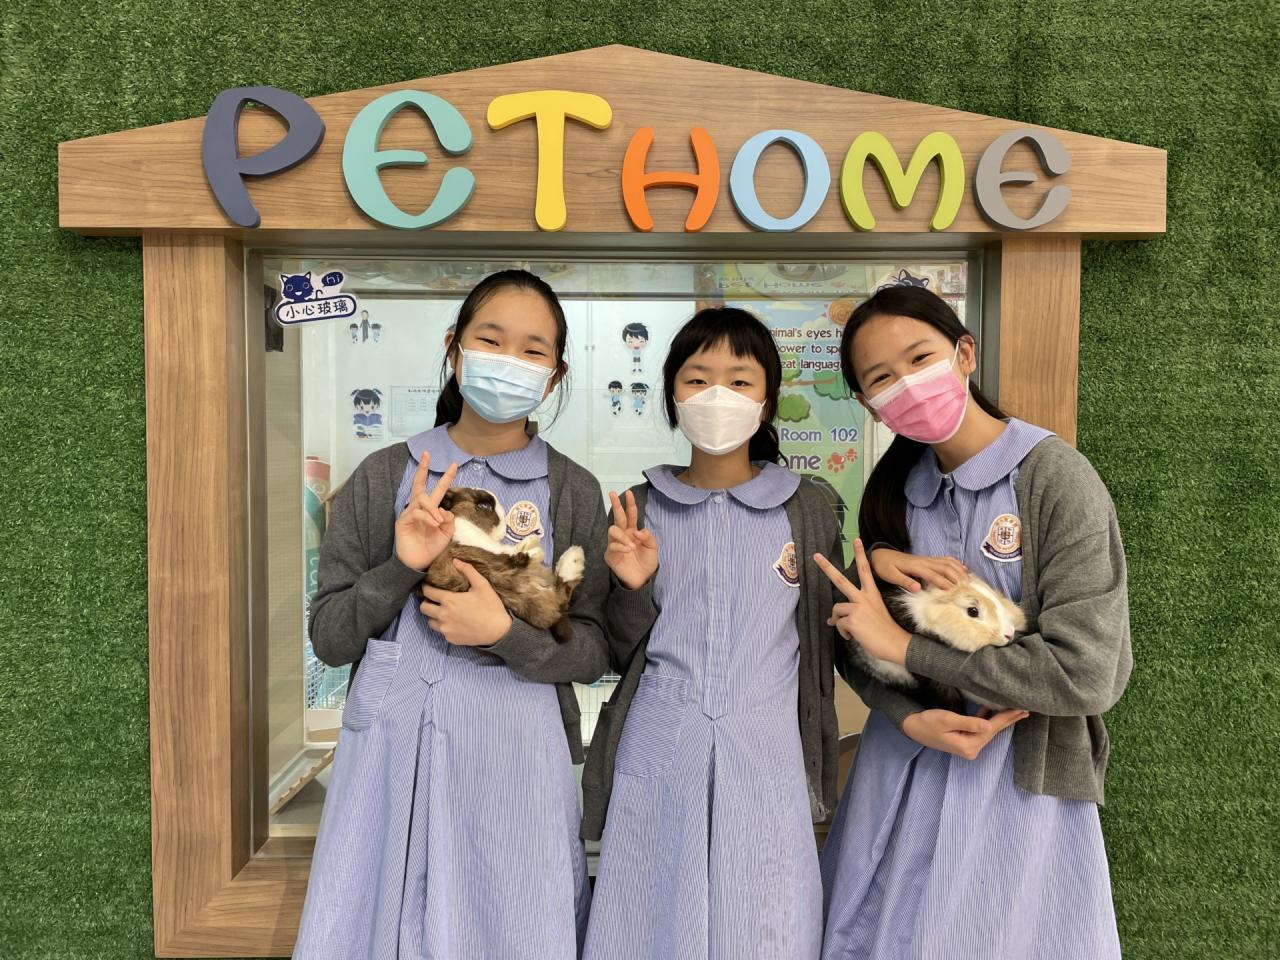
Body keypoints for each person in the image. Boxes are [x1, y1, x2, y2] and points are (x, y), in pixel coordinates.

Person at [293, 269, 610, 960]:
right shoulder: (384, 475)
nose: (510, 361)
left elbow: (594, 649)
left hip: (518, 765)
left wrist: (506, 637)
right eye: (491, 340)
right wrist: (401, 567)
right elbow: (331, 639)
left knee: (516, 932)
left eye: (532, 350)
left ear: (554, 376)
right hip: (394, 759)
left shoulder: (573, 491)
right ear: (455, 348)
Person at [814, 285, 1131, 959]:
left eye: (919, 358)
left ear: (964, 353)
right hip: (896, 778)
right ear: (868, 404)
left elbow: (1087, 673)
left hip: (1020, 786)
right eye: (881, 378)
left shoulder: (1053, 479)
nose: (907, 385)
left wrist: (910, 648)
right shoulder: (893, 497)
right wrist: (907, 717)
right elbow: (851, 639)